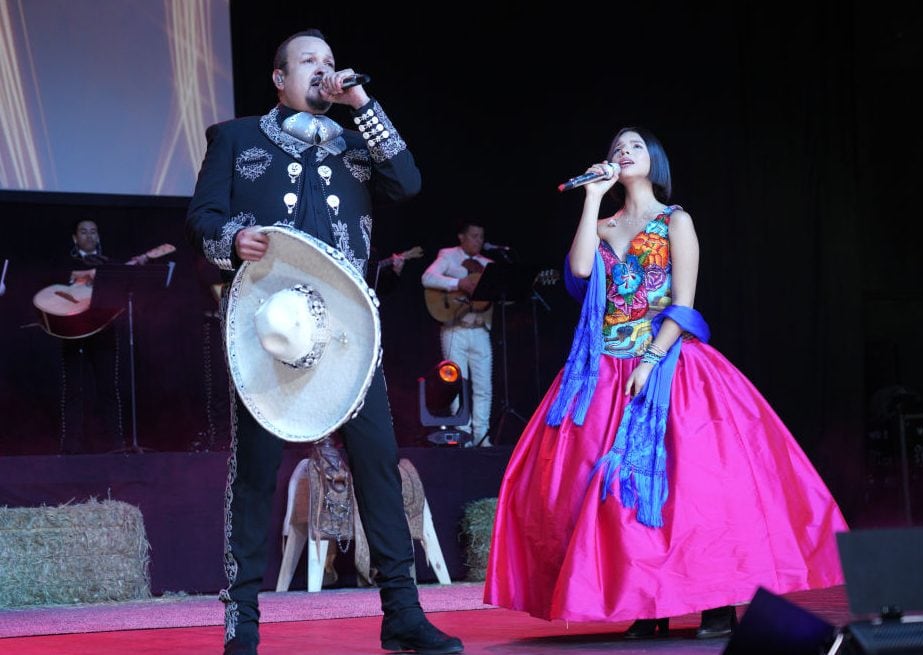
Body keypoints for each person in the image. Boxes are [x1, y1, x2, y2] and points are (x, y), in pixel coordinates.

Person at [483, 127, 849, 638]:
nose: (623, 153)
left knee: (694, 485)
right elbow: (581, 272)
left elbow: (683, 303)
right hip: (603, 364)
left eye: (633, 147)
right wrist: (590, 200)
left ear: (654, 161)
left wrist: (651, 361)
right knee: (610, 487)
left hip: (668, 362)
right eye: (616, 149)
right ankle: (647, 603)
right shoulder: (605, 222)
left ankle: (719, 604)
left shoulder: (676, 221)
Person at [185, 29, 462, 655]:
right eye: (309, 60)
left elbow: (408, 182)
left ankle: (402, 613)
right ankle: (242, 627)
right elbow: (201, 217)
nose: (324, 69)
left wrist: (363, 105)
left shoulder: (356, 141)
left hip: (347, 336)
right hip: (268, 332)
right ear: (279, 79)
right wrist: (231, 241)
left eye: (330, 61)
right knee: (254, 475)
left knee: (378, 467)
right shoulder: (236, 138)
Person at [421, 222, 494, 446]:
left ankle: (482, 435)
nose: (478, 241)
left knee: (483, 386)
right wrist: (457, 283)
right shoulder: (449, 256)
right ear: (461, 237)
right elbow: (428, 278)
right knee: (457, 383)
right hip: (455, 329)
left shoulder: (488, 265)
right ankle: (463, 434)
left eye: (481, 237)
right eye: (473, 236)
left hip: (480, 329)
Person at [57, 219, 126, 454]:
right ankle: (71, 447)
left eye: (93, 232)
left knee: (108, 389)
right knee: (74, 389)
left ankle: (115, 445)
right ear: (75, 238)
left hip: (104, 331)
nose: (89, 236)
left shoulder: (109, 264)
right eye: (83, 232)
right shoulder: (66, 263)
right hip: (73, 331)